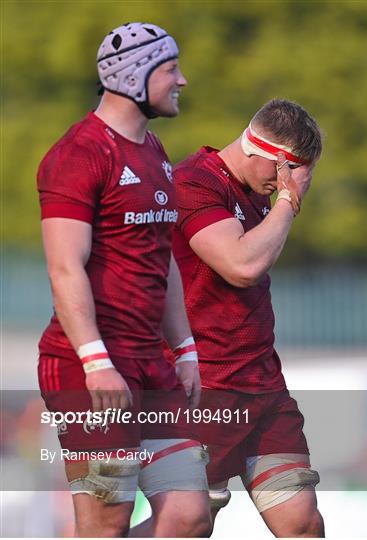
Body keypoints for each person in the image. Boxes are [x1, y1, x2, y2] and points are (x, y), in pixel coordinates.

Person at [37, 22, 211, 538]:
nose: (182, 80)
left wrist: (184, 349)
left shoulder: (155, 151)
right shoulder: (78, 153)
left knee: (189, 517)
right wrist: (96, 363)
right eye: (171, 69)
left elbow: (165, 259)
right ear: (136, 76)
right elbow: (64, 267)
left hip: (150, 365)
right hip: (87, 367)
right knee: (105, 525)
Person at [171, 98, 325, 537]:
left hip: (263, 387)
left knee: (303, 523)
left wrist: (280, 201)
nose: (287, 187)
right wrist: (288, 202)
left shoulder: (258, 192)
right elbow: (242, 266)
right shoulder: (192, 183)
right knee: (190, 525)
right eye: (289, 174)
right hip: (207, 387)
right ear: (276, 160)